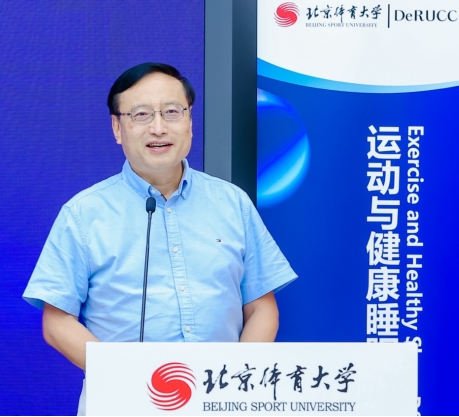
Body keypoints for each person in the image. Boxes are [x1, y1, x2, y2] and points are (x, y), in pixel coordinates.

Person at [22, 62, 297, 414]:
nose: (158, 127)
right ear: (117, 128)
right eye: (141, 114)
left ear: (190, 121)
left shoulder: (232, 203)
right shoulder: (83, 214)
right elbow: (57, 322)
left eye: (172, 112)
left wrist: (235, 384)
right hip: (125, 404)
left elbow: (261, 307)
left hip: (219, 404)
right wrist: (128, 378)